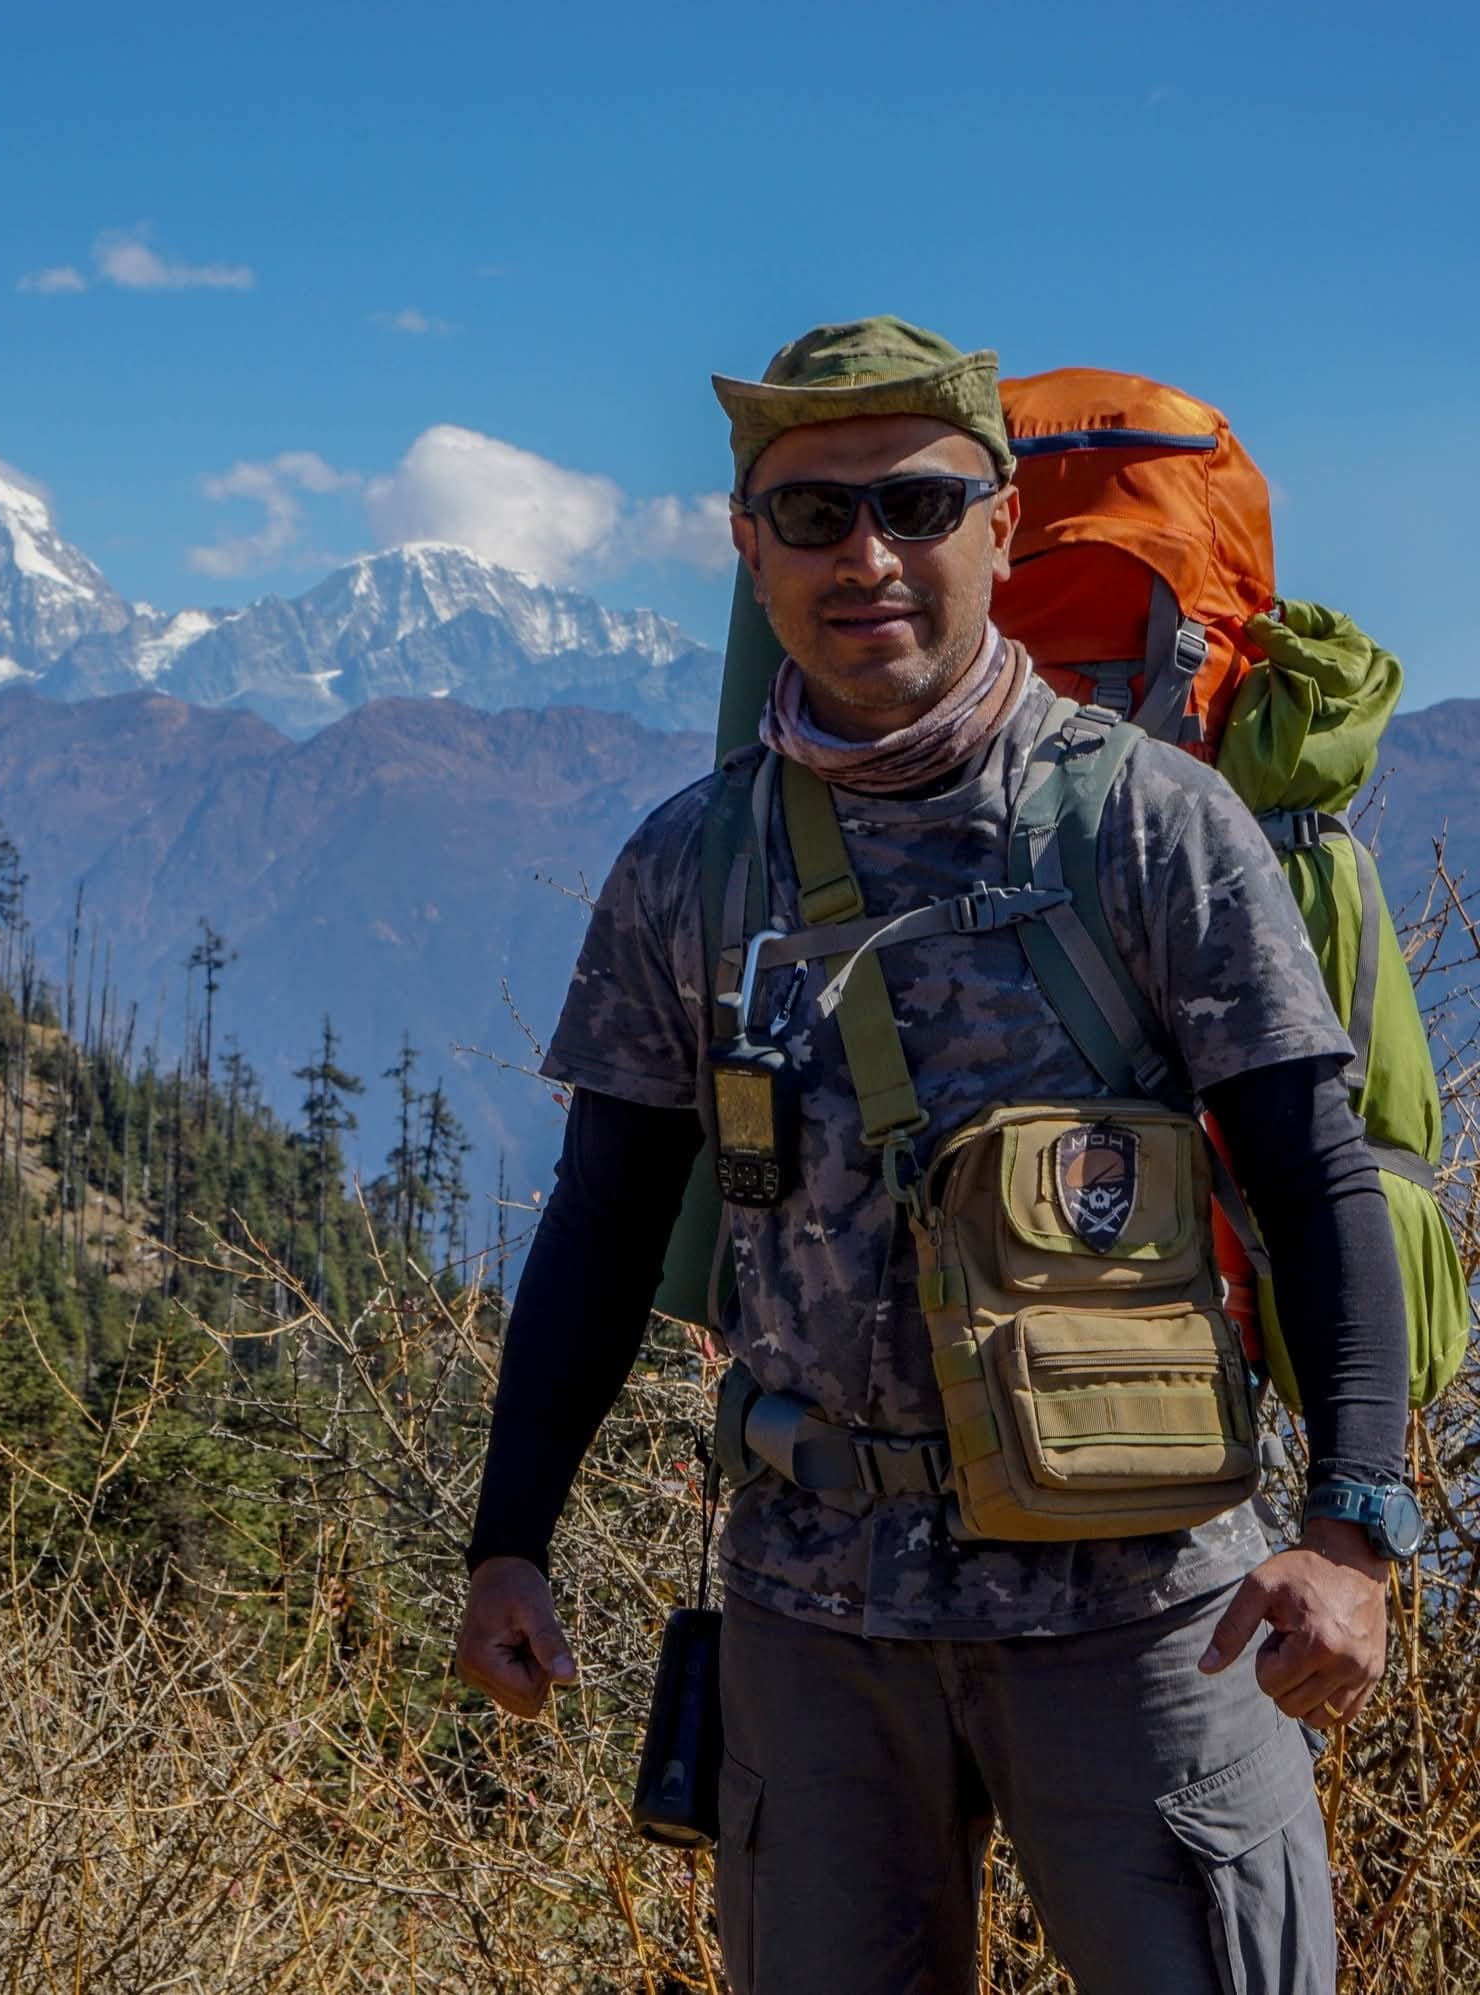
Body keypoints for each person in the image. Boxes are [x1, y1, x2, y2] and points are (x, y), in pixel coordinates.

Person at [455, 317, 1414, 1995]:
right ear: (750, 553)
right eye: (815, 517)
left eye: (916, 503)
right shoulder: (690, 867)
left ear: (1002, 528)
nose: (869, 556)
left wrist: (1350, 1532)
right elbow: (607, 1223)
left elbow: (1314, 1170)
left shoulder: (1146, 826)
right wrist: (508, 1539)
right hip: (816, 1623)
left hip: (1150, 1619)